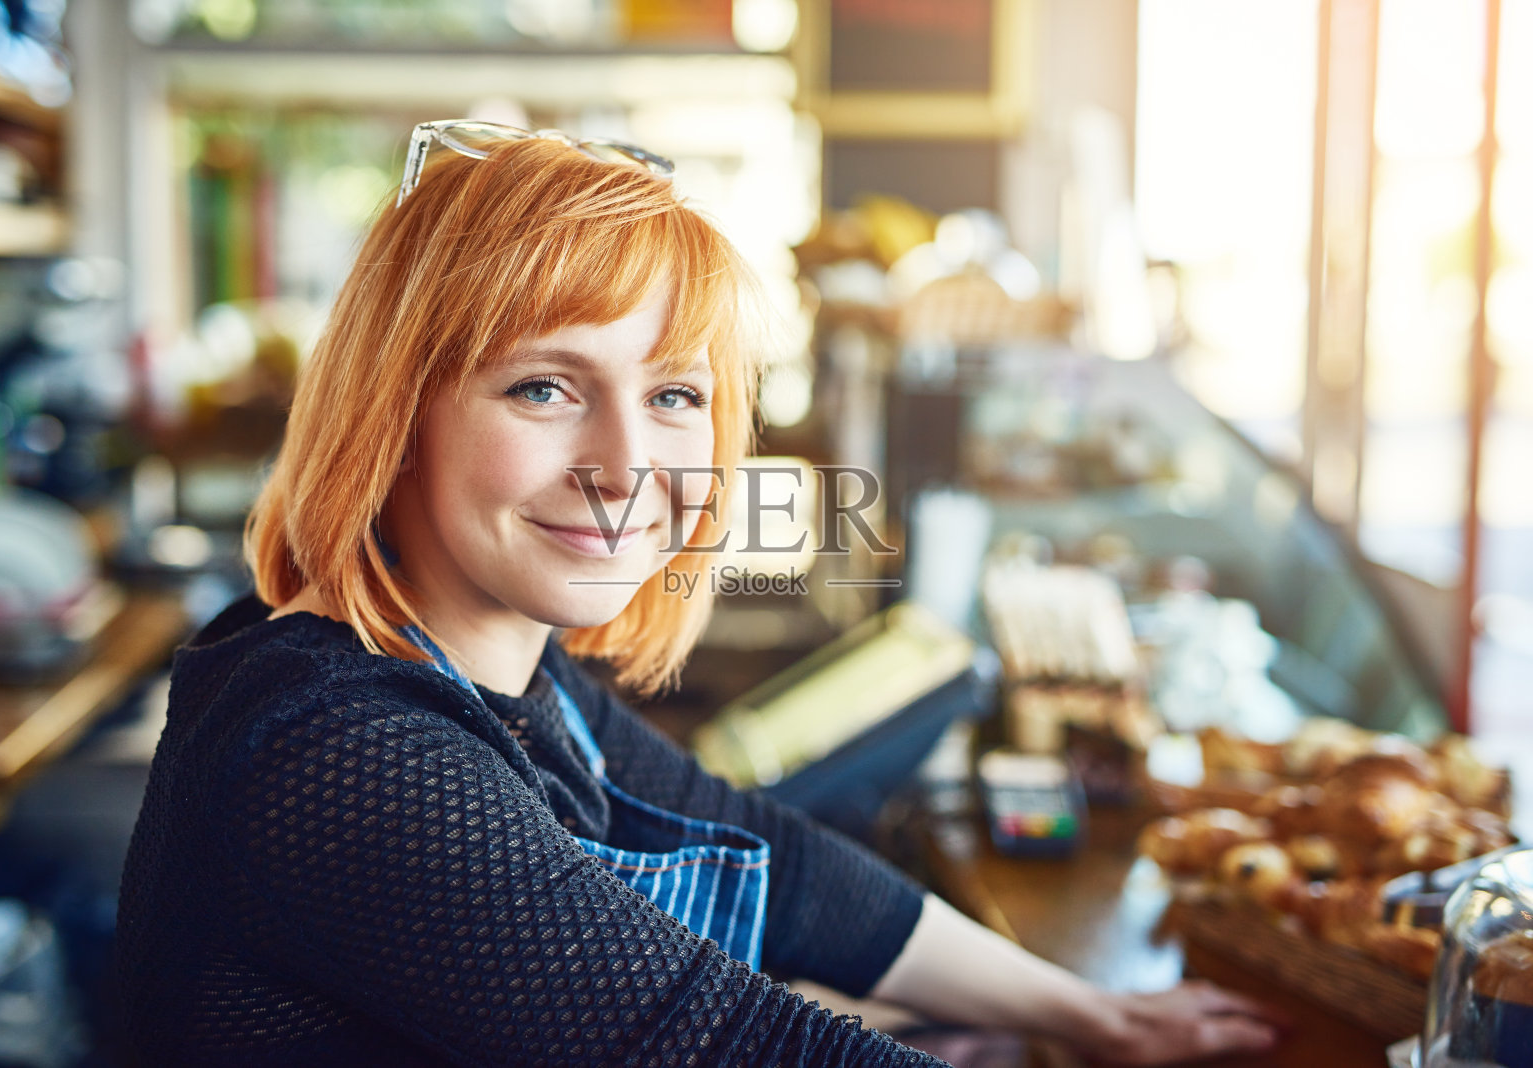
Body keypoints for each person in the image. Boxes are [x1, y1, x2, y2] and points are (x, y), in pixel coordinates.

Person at [114, 121, 1282, 1067]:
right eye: (542, 388)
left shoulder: (494, 670)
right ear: (395, 414)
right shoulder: (340, 749)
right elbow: (729, 1044)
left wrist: (1097, 1018)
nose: (627, 468)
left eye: (673, 396)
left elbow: (779, 863)